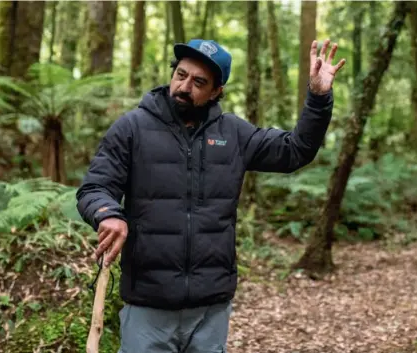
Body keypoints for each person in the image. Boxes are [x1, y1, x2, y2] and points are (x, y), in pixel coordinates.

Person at [76, 38, 346, 353]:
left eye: (199, 82)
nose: (185, 86)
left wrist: (318, 97)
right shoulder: (131, 128)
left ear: (217, 91)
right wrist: (107, 212)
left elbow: (294, 150)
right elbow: (95, 187)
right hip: (149, 305)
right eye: (181, 74)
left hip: (210, 310)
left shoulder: (233, 133)